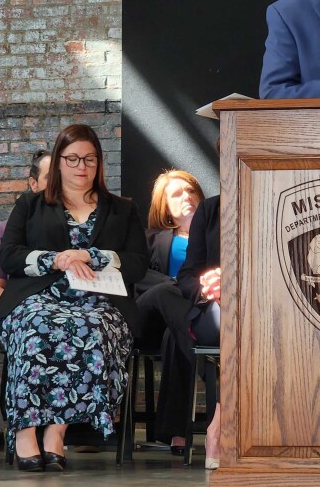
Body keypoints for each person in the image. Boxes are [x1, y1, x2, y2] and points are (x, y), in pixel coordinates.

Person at [0, 123, 149, 472]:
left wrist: (93, 256)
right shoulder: (30, 204)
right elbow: (10, 255)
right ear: (59, 161)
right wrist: (56, 258)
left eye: (90, 159)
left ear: (99, 163)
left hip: (101, 302)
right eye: (73, 159)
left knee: (91, 328)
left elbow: (139, 263)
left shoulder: (122, 209)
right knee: (37, 327)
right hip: (39, 297)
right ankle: (25, 431)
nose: (82, 167)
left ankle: (56, 432)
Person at [0, 148, 51, 447]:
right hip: (14, 308)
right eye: (50, 178)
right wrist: (21, 308)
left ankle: (75, 424)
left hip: (63, 310)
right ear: (33, 184)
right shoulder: (7, 230)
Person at [135, 170, 204, 452]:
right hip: (149, 318)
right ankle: (220, 375)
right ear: (164, 207)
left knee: (176, 336)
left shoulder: (219, 238)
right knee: (166, 292)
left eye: (191, 191)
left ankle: (178, 434)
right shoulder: (151, 239)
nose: (187, 196)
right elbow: (135, 277)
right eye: (177, 194)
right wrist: (181, 284)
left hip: (185, 324)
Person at [175, 194, 222, 470]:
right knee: (237, 323)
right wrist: (208, 287)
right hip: (217, 307)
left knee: (255, 322)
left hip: (265, 303)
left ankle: (219, 424)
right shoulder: (210, 208)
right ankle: (222, 430)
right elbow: (187, 275)